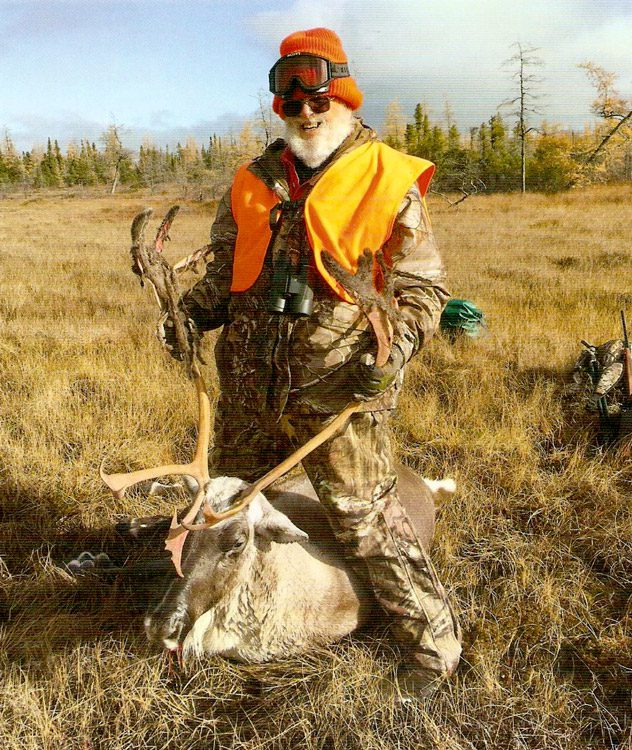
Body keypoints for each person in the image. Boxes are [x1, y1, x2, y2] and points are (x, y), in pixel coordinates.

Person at [165, 27, 462, 697]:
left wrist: (395, 350)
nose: (305, 113)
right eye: (291, 103)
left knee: (366, 521)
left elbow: (424, 288)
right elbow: (222, 274)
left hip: (340, 388)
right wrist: (188, 313)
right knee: (228, 515)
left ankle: (432, 651)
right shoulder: (253, 180)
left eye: (317, 99)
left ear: (345, 99)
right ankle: (206, 628)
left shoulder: (387, 177)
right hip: (247, 384)